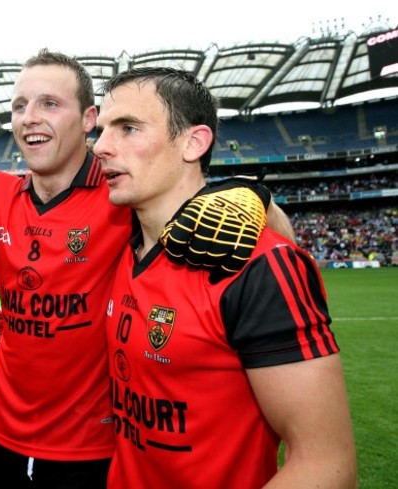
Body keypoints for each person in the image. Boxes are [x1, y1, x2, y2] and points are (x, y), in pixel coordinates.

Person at [0, 18, 293, 488]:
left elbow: (222, 213)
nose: (29, 116)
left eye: (50, 103)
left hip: (93, 450)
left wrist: (256, 198)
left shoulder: (124, 195)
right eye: (19, 105)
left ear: (89, 120)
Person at [93, 67, 358, 488]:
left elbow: (327, 466)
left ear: (194, 142)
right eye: (103, 129)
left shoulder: (260, 267)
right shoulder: (114, 245)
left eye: (127, 128)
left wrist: (257, 199)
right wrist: (255, 192)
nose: (100, 146)